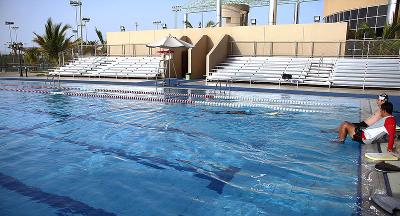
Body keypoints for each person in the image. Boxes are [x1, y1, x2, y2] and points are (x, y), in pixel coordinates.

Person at [332, 102, 398, 154]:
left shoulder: (390, 120)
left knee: (345, 125)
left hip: (365, 138)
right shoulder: (388, 119)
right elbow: (384, 130)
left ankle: (340, 142)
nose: (380, 112)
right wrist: (384, 136)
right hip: (364, 133)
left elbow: (391, 134)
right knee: (345, 123)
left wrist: (390, 148)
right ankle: (339, 139)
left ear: (384, 111)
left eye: (380, 110)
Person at [322, 93, 388, 133]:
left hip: (365, 126)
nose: (377, 101)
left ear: (383, 101)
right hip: (362, 124)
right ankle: (333, 130)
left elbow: (387, 119)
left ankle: (334, 132)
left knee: (345, 125)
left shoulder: (383, 110)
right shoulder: (380, 109)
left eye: (378, 100)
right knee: (344, 123)